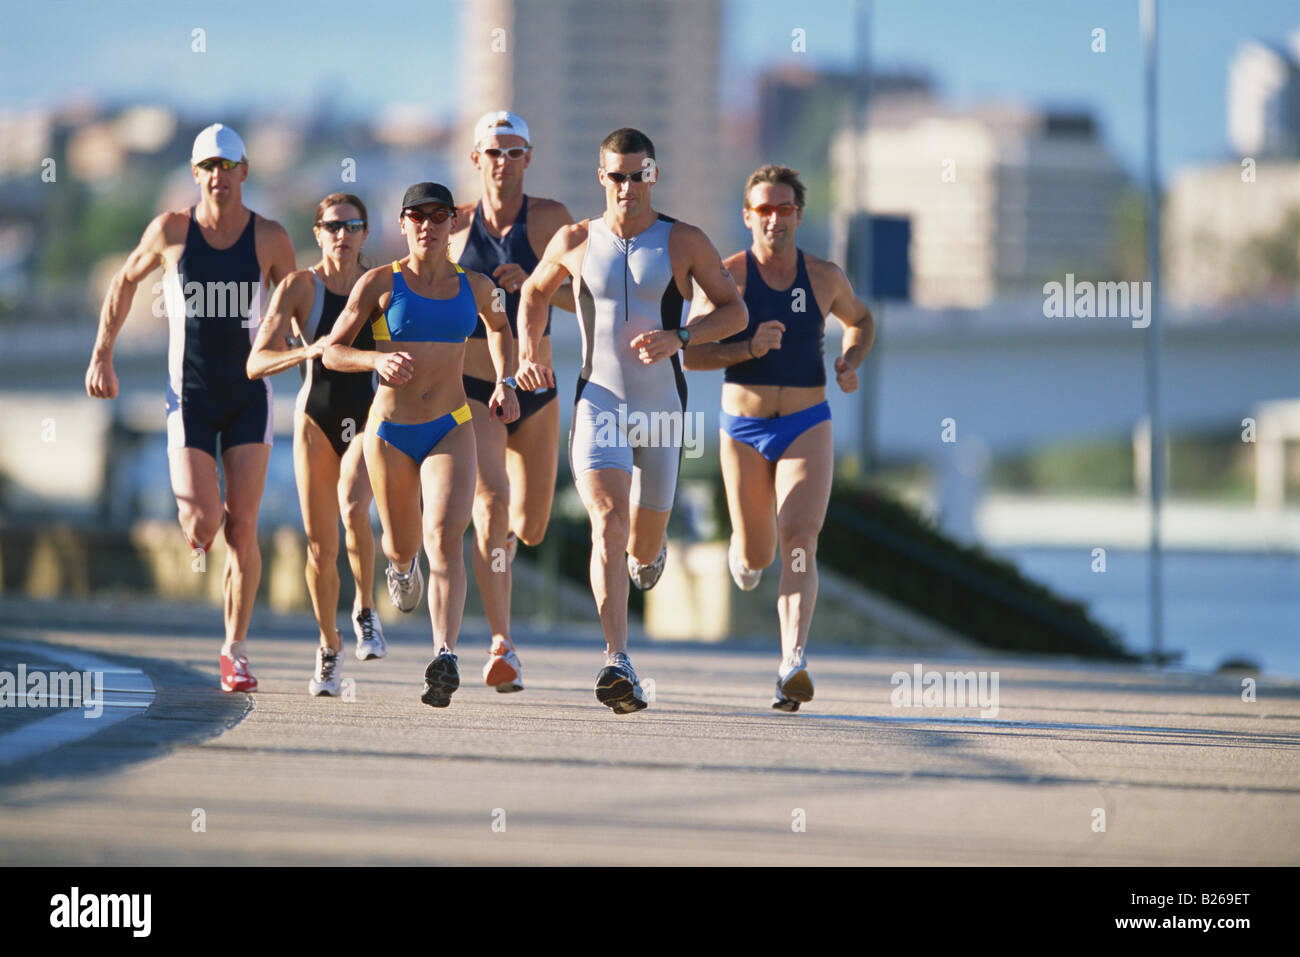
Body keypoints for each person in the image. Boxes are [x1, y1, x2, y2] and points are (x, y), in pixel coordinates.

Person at [516, 128, 747, 715]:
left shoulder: (685, 241)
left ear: (654, 175)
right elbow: (534, 295)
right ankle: (617, 659)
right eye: (615, 175)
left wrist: (682, 336)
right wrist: (528, 355)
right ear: (602, 179)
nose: (627, 186)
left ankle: (653, 553)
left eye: (637, 174)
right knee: (609, 524)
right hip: (599, 402)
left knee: (642, 547)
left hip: (662, 410)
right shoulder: (573, 240)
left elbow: (735, 310)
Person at [85, 123, 296, 693]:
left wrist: (322, 351)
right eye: (208, 166)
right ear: (195, 173)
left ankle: (234, 650)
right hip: (191, 397)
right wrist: (103, 355)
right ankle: (200, 524)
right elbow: (124, 284)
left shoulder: (270, 238)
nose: (218, 176)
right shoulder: (171, 232)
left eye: (228, 166)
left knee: (244, 527)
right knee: (203, 521)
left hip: (250, 396)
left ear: (245, 171)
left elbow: (297, 306)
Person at [681, 165, 875, 711]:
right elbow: (691, 353)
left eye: (784, 208)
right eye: (763, 209)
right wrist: (747, 348)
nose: (774, 219)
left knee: (801, 536)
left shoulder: (823, 277)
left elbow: (861, 320)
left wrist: (850, 359)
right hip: (743, 429)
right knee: (759, 551)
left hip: (806, 424)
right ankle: (743, 555)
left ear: (798, 215)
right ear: (747, 217)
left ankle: (793, 661)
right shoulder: (729, 278)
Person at [320, 183, 519, 709]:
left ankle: (444, 655)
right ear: (403, 224)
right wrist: (375, 361)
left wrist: (505, 381)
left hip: (451, 423)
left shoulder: (475, 286)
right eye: (417, 216)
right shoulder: (380, 283)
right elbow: (333, 351)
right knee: (403, 544)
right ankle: (400, 568)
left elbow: (501, 327)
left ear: (453, 223)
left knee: (445, 534)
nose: (428, 225)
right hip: (388, 432)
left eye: (438, 216)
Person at [448, 111, 574, 694]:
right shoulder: (453, 230)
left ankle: (505, 568)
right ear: (476, 159)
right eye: (493, 152)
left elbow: (587, 295)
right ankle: (502, 643)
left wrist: (538, 283)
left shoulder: (551, 220)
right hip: (478, 389)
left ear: (529, 158)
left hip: (537, 386)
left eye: (514, 152)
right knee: (491, 505)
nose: (503, 162)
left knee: (531, 526)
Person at [246, 192, 386, 696]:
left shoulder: (379, 289)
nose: (342, 236)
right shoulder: (299, 287)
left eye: (352, 227)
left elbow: (396, 351)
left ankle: (366, 609)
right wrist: (307, 350)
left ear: (365, 233)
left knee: (354, 508)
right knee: (320, 547)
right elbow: (256, 362)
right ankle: (329, 647)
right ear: (318, 233)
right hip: (314, 420)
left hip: (367, 417)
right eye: (332, 227)